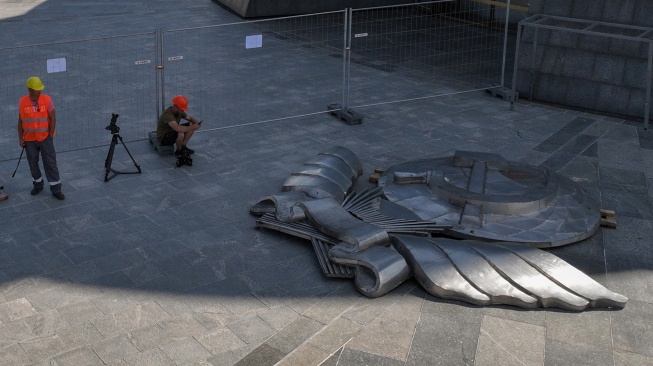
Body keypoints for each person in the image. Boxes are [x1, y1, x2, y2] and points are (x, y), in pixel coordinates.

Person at [17, 76, 64, 200]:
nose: (39, 92)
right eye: (37, 90)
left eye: (40, 89)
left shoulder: (47, 100)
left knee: (50, 162)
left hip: (45, 138)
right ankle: (37, 184)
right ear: (30, 90)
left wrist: (50, 135)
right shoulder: (22, 102)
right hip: (29, 139)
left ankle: (56, 188)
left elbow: (53, 118)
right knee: (33, 163)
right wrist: (21, 139)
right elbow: (20, 121)